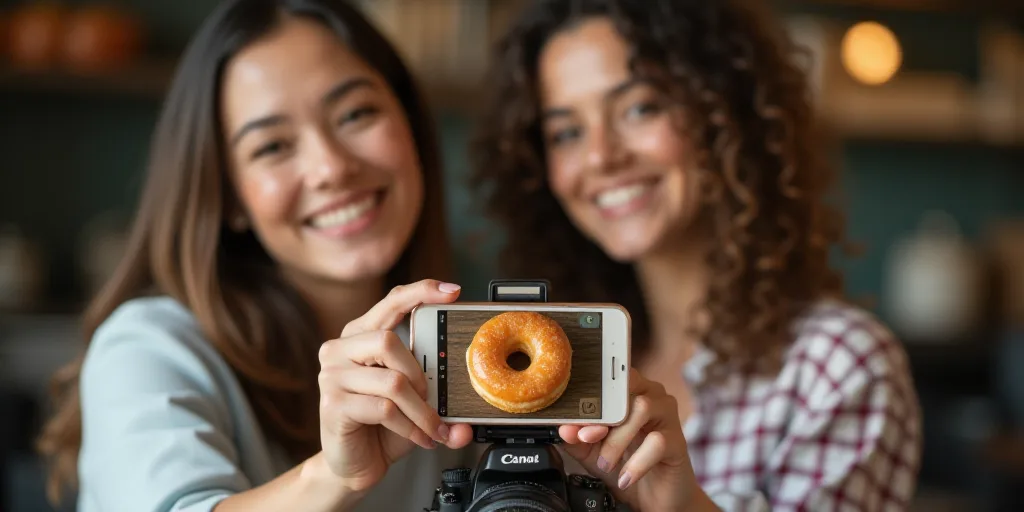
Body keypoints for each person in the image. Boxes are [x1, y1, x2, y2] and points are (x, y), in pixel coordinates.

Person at [37, 1, 702, 511]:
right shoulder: (150, 347)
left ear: (411, 130)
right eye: (272, 146)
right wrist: (335, 475)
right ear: (229, 195)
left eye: (355, 114)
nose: (330, 166)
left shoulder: (458, 358)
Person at [471, 0, 923, 510]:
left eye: (640, 107)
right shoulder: (554, 370)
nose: (600, 156)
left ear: (725, 113)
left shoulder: (836, 368)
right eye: (566, 132)